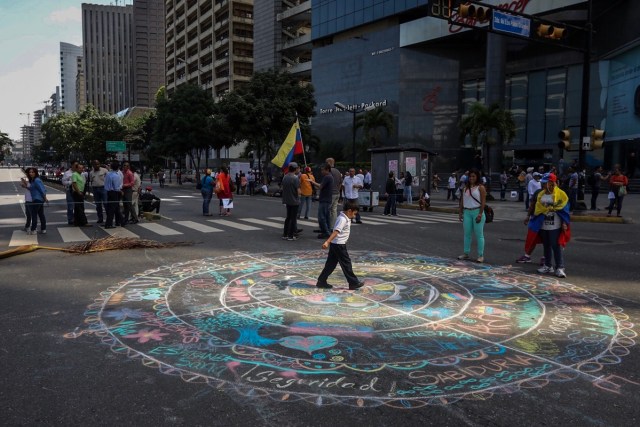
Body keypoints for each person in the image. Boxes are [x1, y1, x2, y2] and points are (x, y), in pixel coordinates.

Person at [316, 200, 365, 291]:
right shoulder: (342, 219)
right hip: (339, 245)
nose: (354, 216)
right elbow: (336, 231)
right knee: (346, 264)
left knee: (330, 264)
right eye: (354, 214)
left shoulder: (345, 217)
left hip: (336, 245)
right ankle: (353, 282)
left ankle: (321, 281)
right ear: (349, 211)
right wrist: (328, 241)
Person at [528, 173, 571, 278]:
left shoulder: (561, 194)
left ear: (552, 183)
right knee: (546, 245)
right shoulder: (541, 194)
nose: (543, 185)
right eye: (543, 183)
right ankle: (548, 265)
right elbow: (537, 208)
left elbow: (564, 209)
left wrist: (564, 222)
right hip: (543, 224)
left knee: (556, 245)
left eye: (545, 183)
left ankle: (560, 267)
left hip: (555, 225)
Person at [457, 168, 487, 263]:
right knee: (467, 234)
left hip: (477, 211)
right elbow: (462, 200)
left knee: (479, 235)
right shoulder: (465, 188)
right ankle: (466, 253)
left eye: (473, 176)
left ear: (477, 177)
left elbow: (483, 202)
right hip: (467, 212)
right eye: (470, 176)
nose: (471, 178)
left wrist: (480, 214)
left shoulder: (480, 187)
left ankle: (480, 255)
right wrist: (460, 212)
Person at [311, 164, 333, 239]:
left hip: (325, 199)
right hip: (327, 199)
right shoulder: (329, 177)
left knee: (321, 217)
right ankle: (327, 230)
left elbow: (320, 186)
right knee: (326, 217)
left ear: (327, 170)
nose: (321, 171)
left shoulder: (327, 177)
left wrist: (312, 182)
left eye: (323, 170)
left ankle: (326, 232)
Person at [281, 163, 301, 241]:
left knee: (288, 217)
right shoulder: (295, 178)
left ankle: (285, 234)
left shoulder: (285, 177)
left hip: (287, 200)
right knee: (293, 218)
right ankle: (291, 235)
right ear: (295, 169)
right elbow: (298, 191)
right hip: (294, 200)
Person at [26, 168, 48, 235]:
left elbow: (42, 190)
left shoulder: (36, 180)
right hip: (38, 199)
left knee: (34, 214)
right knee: (41, 214)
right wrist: (25, 186)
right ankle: (43, 229)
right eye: (30, 172)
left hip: (37, 199)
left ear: (35, 173)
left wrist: (45, 198)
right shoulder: (33, 180)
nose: (31, 173)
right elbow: (32, 189)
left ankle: (33, 230)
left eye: (32, 172)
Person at [104, 161, 123, 229]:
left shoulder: (108, 174)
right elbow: (116, 187)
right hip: (114, 193)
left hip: (108, 192)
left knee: (114, 208)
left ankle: (122, 221)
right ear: (118, 168)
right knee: (112, 209)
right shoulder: (116, 176)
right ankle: (108, 224)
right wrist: (120, 191)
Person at [326, 158, 342, 226]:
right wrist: (338, 190)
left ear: (329, 163)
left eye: (326, 162)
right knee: (334, 210)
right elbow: (340, 182)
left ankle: (327, 226)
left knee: (327, 210)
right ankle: (333, 226)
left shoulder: (329, 171)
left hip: (330, 193)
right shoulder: (338, 171)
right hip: (337, 193)